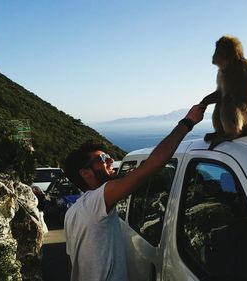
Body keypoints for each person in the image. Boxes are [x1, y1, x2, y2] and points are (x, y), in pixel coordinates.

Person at [63, 104, 206, 281]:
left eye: (108, 156)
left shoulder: (73, 212)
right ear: (86, 173)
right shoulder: (97, 200)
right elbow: (152, 165)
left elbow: (71, 262)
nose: (111, 160)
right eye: (102, 159)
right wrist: (188, 121)